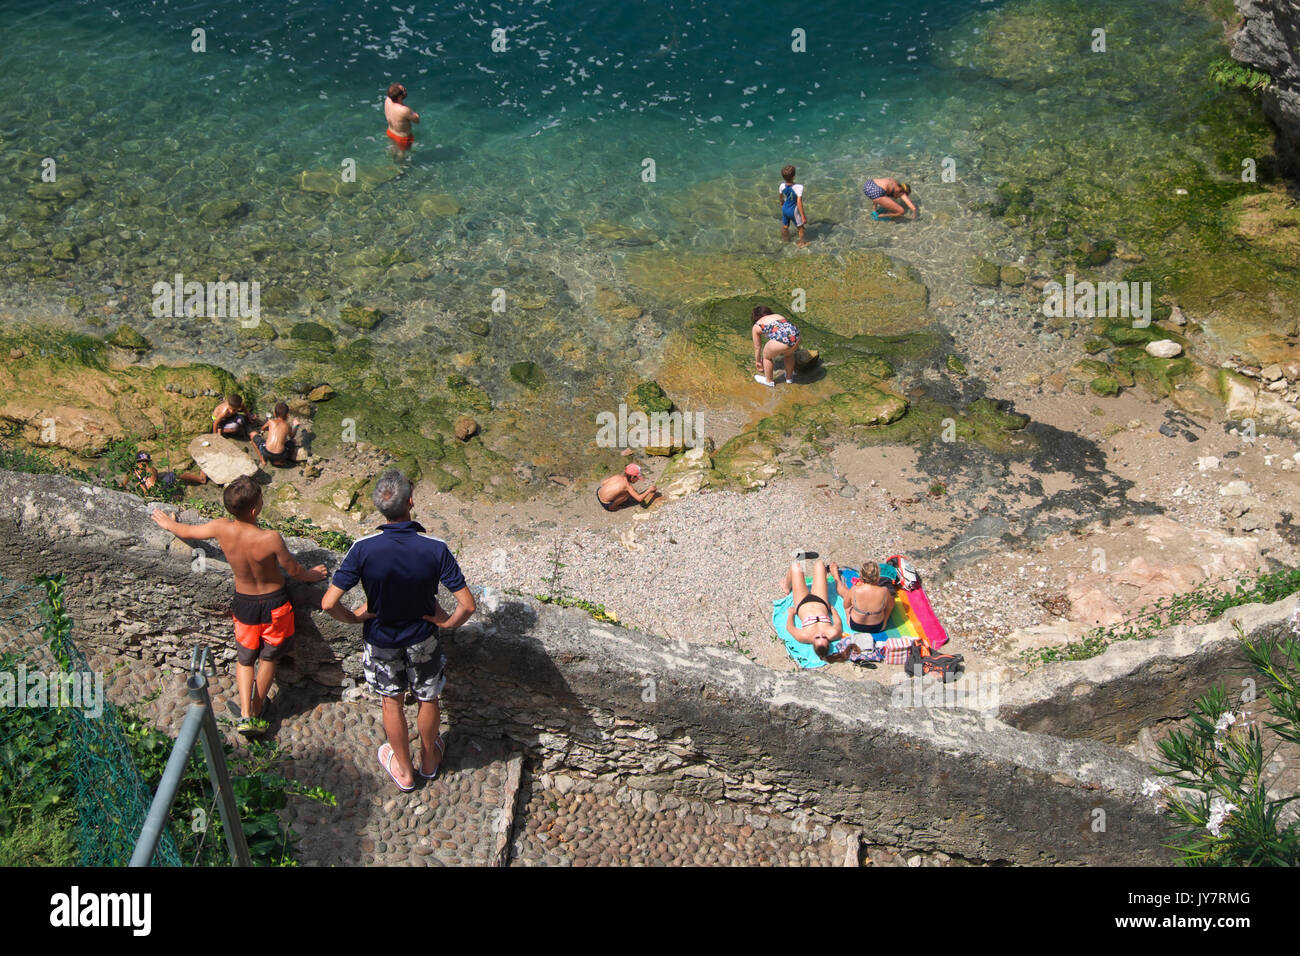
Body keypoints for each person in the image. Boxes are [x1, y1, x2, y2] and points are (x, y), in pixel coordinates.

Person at [321, 469, 476, 791]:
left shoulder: (362, 548)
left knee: (391, 701)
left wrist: (353, 618)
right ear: (411, 502)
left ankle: (404, 771)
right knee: (428, 698)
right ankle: (429, 760)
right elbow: (468, 606)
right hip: (422, 637)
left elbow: (327, 603)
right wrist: (447, 622)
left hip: (381, 638)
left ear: (380, 508)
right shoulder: (435, 548)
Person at [150, 477, 327, 734]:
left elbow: (188, 532)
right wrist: (312, 575)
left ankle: (245, 714)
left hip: (244, 604)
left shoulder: (222, 527)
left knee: (245, 659)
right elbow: (295, 570)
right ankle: (256, 708)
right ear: (255, 509)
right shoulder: (271, 538)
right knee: (269, 657)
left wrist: (169, 524)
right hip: (275, 604)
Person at [781, 556, 844, 660]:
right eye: (824, 637)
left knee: (796, 567)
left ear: (813, 642)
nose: (820, 634)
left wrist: (791, 614)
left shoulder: (804, 637)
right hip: (821, 601)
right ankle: (819, 566)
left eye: (817, 637)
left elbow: (790, 628)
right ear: (828, 642)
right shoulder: (833, 633)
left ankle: (786, 587)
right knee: (819, 564)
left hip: (802, 603)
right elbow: (838, 622)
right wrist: (832, 609)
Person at [830, 560, 897, 634]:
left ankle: (836, 576)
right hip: (878, 627)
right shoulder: (884, 591)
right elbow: (890, 606)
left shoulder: (855, 589)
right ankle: (884, 620)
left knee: (846, 595)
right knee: (890, 602)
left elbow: (846, 605)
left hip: (855, 625)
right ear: (878, 577)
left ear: (861, 577)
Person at [752, 305, 800, 387]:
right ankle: (789, 378)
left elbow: (757, 347)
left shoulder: (757, 326)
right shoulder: (778, 316)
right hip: (796, 336)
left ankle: (769, 381)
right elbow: (784, 329)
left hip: (781, 339)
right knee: (789, 355)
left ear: (756, 318)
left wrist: (758, 362)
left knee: (766, 357)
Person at [128, 452, 206, 493]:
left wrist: (123, 485)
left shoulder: (134, 469)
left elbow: (137, 482)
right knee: (175, 474)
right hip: (158, 490)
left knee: (139, 482)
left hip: (151, 491)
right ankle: (201, 479)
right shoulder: (152, 468)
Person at [251, 402, 300, 468]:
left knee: (252, 434)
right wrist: (295, 426)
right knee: (293, 441)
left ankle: (263, 460)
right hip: (280, 455)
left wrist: (271, 429)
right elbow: (292, 436)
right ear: (287, 415)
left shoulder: (270, 421)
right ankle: (280, 461)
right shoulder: (287, 426)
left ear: (274, 413)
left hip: (266, 452)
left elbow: (263, 428)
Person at [778, 164, 808, 247]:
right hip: (793, 210)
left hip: (784, 208)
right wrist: (803, 216)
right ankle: (802, 243)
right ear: (794, 177)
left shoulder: (782, 186)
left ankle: (785, 239)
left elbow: (781, 197)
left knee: (785, 226)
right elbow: (799, 202)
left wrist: (781, 202)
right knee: (801, 228)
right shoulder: (799, 187)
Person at [384, 82, 419, 153]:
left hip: (390, 132)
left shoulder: (388, 100)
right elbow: (417, 120)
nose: (405, 90)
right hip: (402, 138)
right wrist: (411, 111)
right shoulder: (404, 110)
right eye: (403, 90)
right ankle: (401, 163)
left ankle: (393, 159)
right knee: (403, 153)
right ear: (399, 97)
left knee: (393, 148)